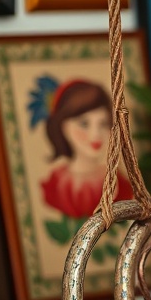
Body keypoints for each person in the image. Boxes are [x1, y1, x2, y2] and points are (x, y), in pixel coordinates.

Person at [40, 79, 132, 219]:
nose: (95, 134)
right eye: (84, 124)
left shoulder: (119, 184)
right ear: (63, 127)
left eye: (103, 124)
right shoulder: (55, 185)